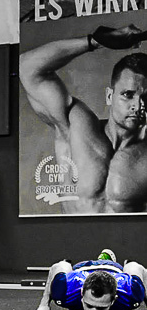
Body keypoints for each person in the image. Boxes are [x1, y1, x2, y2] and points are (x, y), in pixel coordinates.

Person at [20, 25, 147, 213]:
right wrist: (95, 41)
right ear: (110, 96)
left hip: (128, 242)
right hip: (75, 241)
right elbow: (28, 68)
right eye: (128, 95)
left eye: (146, 98)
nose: (138, 105)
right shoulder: (75, 127)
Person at [33, 249, 147, 310]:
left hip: (113, 269)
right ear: (82, 293)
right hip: (83, 267)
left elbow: (137, 267)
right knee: (65, 266)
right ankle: (102, 259)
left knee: (128, 267)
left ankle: (104, 259)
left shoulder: (131, 292)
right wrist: (44, 304)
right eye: (89, 305)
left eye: (101, 308)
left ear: (114, 299)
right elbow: (57, 267)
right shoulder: (65, 288)